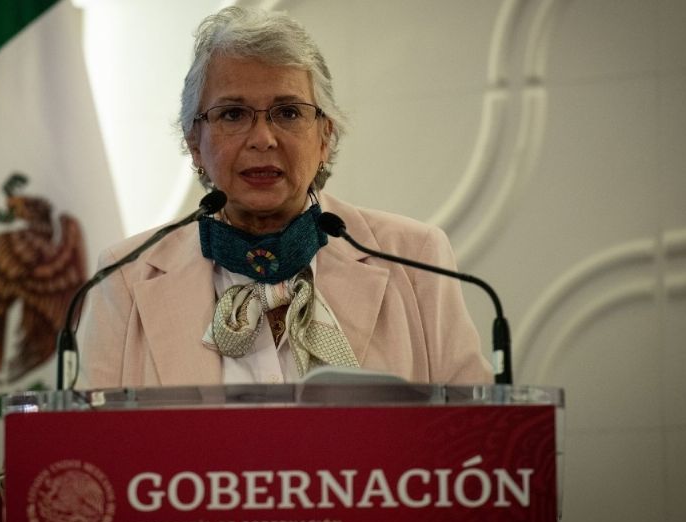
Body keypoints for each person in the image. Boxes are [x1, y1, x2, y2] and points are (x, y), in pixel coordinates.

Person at [78, 6, 492, 388]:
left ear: (325, 136)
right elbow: (88, 447)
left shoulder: (416, 259)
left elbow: (476, 434)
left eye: (289, 112)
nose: (262, 139)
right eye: (233, 114)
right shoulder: (125, 276)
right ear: (195, 143)